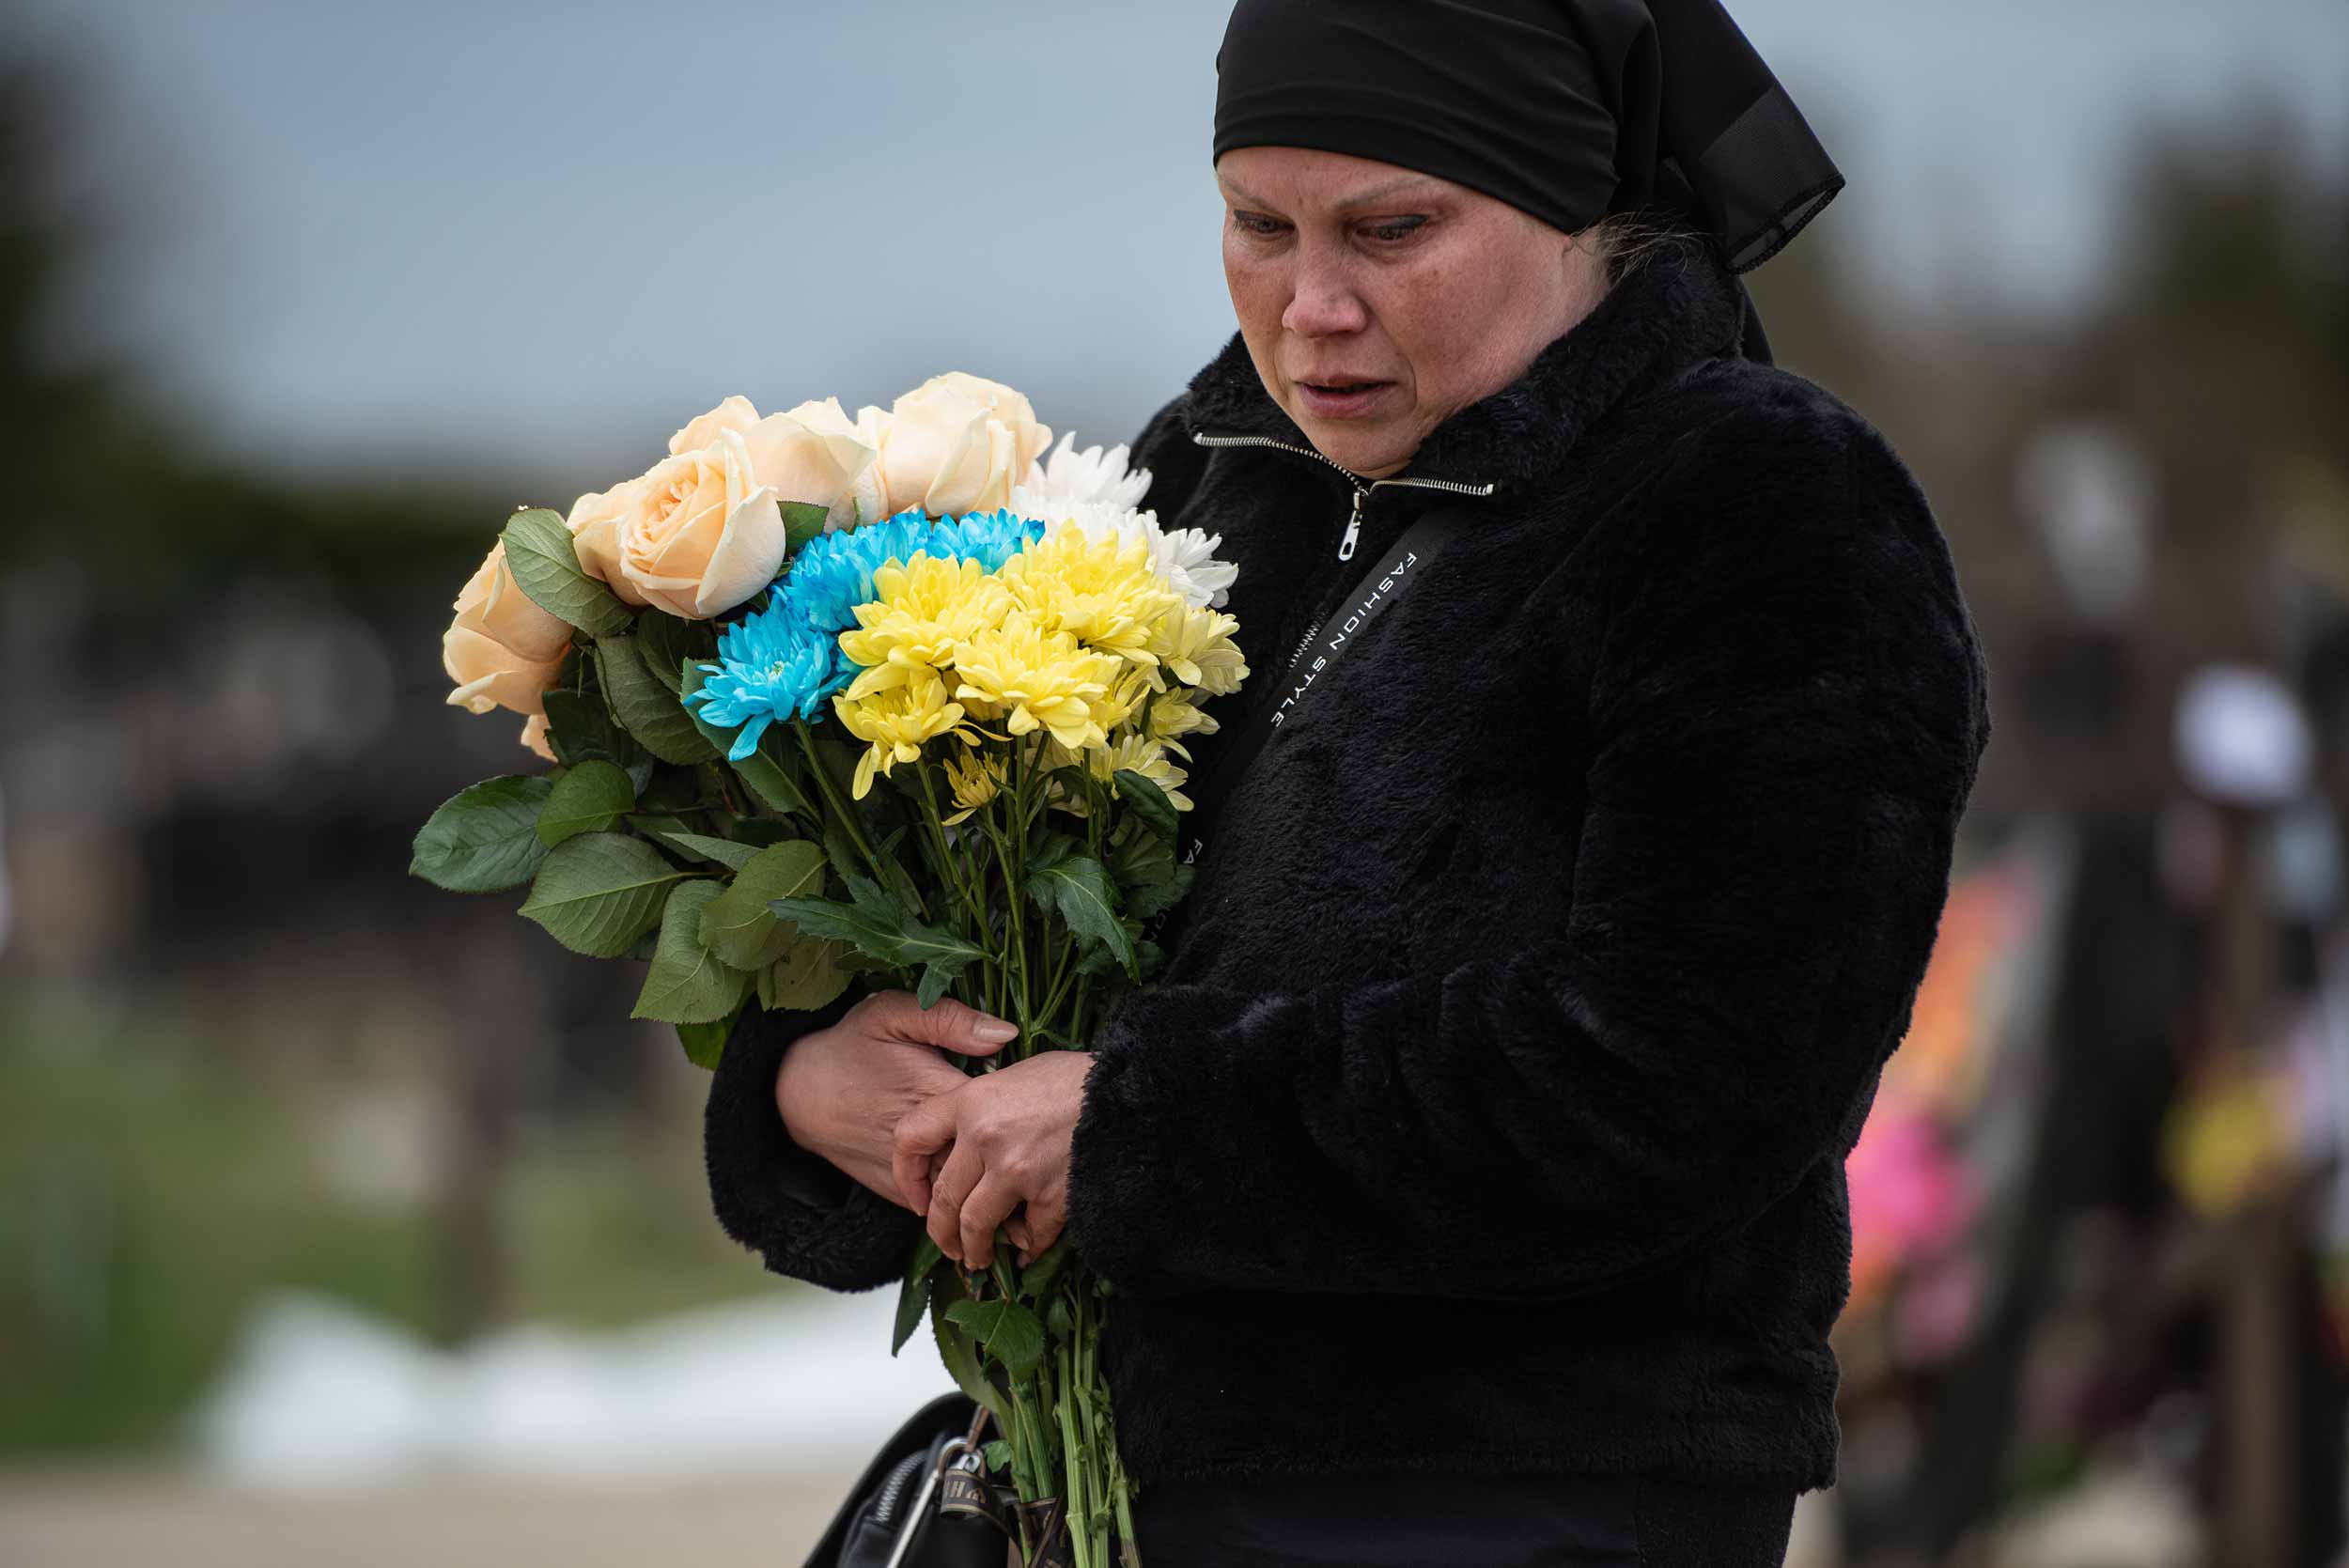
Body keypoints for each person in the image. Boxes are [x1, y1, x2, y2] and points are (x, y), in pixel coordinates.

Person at [702, 0, 1993, 1561]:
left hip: (1531, 1502)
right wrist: (813, 1079)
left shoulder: (1764, 502)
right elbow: (1029, 931)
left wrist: (1137, 1127)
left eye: (1393, 229)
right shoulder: (1212, 472)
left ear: (1573, 195)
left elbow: (1692, 1080)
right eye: (1257, 222)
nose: (1311, 305)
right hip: (1130, 1487)